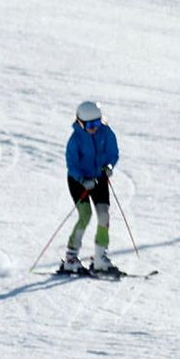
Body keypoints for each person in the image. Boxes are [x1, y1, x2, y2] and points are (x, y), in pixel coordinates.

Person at [60, 100, 121, 274]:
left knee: (103, 215)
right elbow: (71, 164)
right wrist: (81, 179)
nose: (95, 127)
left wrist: (109, 166)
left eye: (97, 123)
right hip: (78, 181)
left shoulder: (106, 132)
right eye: (90, 125)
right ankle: (71, 258)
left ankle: (100, 257)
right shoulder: (75, 140)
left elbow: (113, 153)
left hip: (99, 178)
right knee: (85, 215)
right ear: (80, 123)